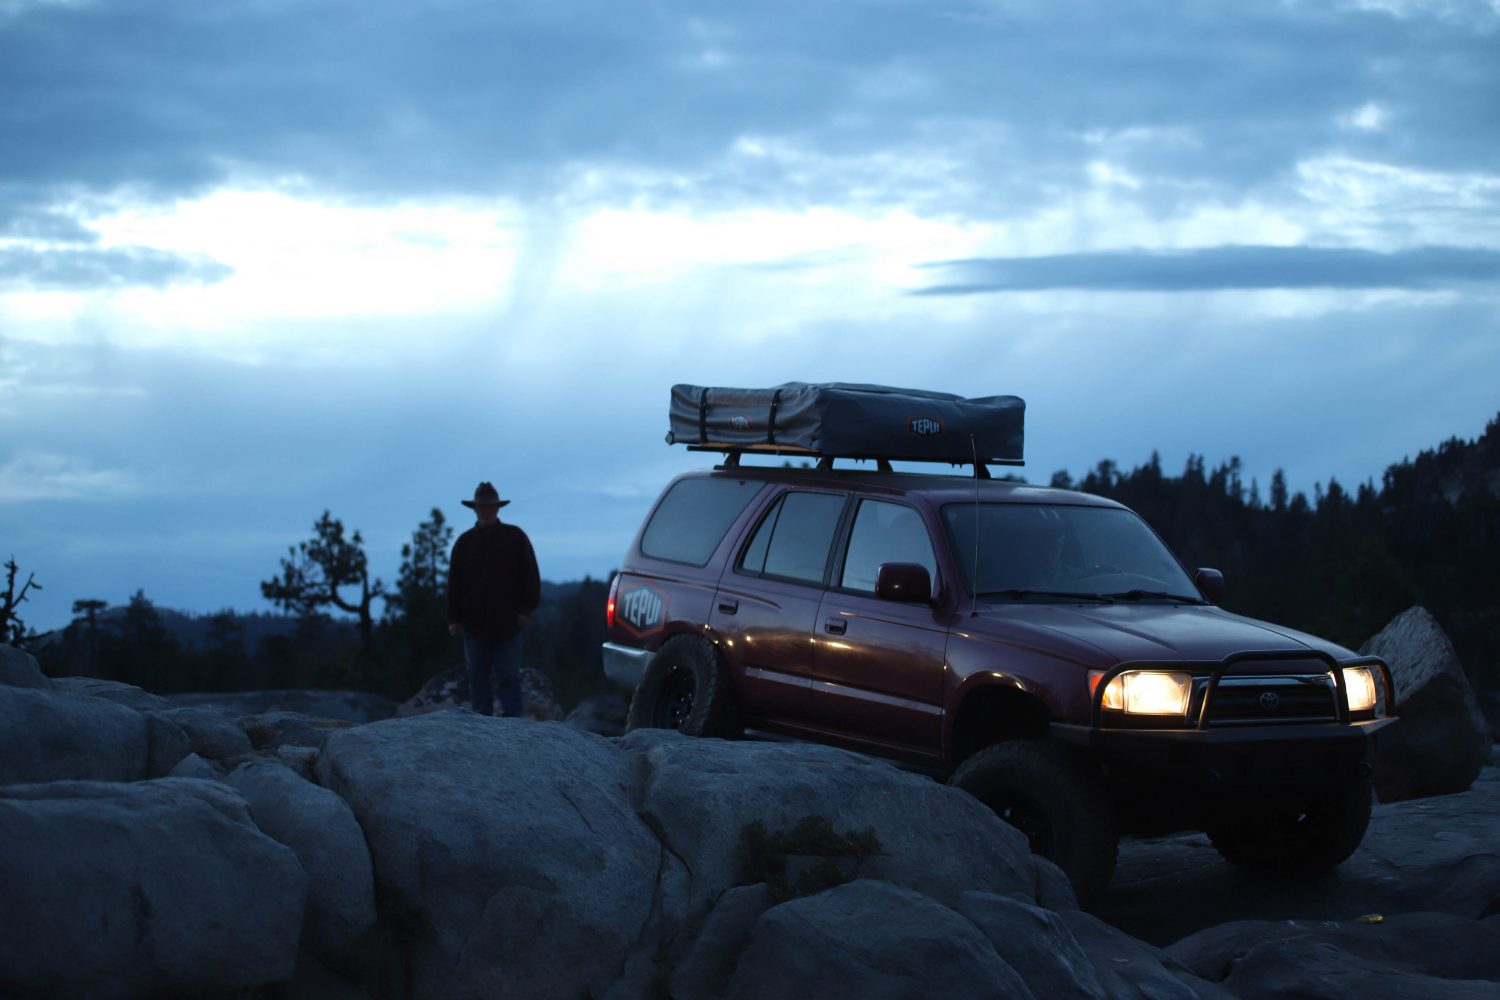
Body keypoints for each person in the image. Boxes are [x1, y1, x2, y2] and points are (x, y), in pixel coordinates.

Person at [446, 481, 540, 717]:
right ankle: (481, 724)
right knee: (477, 678)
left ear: (498, 508)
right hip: (473, 624)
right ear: (475, 509)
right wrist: (453, 619)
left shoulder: (515, 537)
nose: (486, 510)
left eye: (490, 506)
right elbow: (454, 583)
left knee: (508, 676)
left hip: (508, 623)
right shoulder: (464, 543)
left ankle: (514, 725)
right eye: (482, 506)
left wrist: (526, 611)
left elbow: (531, 576)